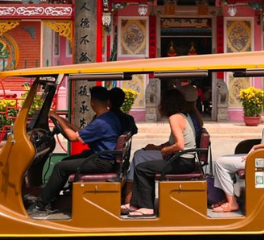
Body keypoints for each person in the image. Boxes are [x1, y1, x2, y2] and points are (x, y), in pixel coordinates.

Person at [29, 86, 121, 214]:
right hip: (101, 157)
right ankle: (51, 197)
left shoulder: (101, 122)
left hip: (101, 161)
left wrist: (57, 117)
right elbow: (81, 132)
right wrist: (64, 122)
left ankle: (40, 205)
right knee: (66, 161)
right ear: (107, 101)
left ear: (92, 103)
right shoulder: (108, 117)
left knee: (60, 167)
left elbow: (73, 137)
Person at [211, 84, 264, 213]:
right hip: (261, 155)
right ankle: (229, 198)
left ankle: (232, 202)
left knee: (220, 163)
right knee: (224, 160)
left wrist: (256, 147)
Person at [122, 83, 202, 206]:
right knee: (141, 157)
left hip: (181, 161)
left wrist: (165, 150)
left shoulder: (175, 118)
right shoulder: (185, 115)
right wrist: (157, 147)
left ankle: (141, 204)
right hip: (184, 160)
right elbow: (174, 142)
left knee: (141, 167)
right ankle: (135, 201)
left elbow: (179, 145)